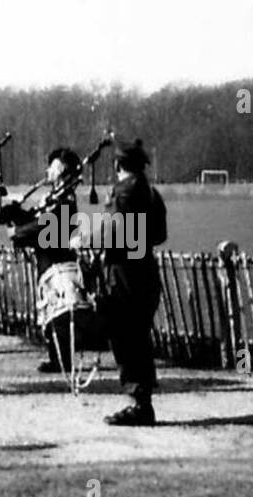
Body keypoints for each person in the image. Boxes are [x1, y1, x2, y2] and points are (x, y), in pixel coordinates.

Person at [99, 138, 166, 426]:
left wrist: (85, 239)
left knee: (126, 337)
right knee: (139, 337)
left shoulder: (123, 192)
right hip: (146, 272)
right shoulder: (152, 193)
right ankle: (143, 402)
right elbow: (159, 235)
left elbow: (117, 232)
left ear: (117, 165)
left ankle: (139, 404)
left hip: (125, 275)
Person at [1, 148, 82, 373]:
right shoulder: (54, 195)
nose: (48, 170)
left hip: (57, 256)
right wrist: (16, 213)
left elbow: (47, 224)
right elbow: (37, 218)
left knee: (57, 307)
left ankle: (62, 359)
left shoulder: (65, 197)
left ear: (62, 169)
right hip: (46, 255)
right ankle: (56, 357)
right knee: (48, 306)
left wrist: (18, 232)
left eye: (53, 166)